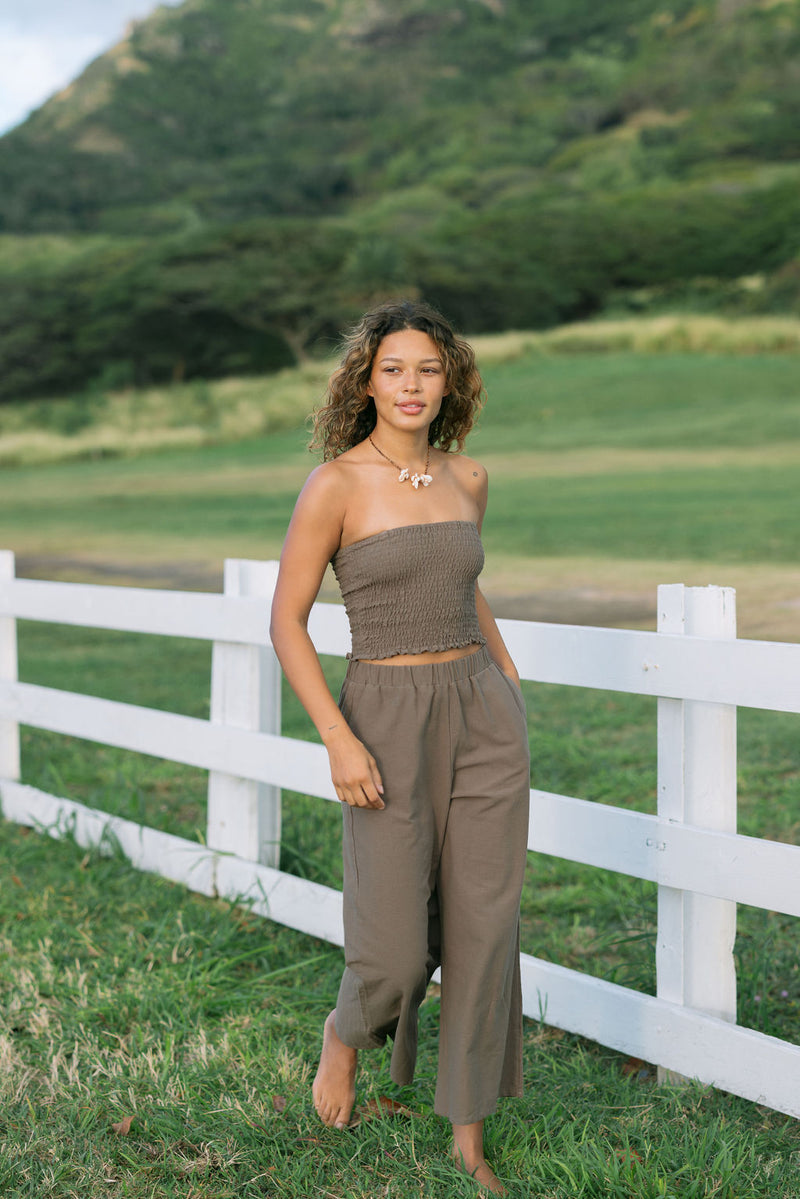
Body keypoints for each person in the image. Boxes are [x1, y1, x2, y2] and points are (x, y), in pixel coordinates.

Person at [269, 299, 530, 1195]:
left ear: (449, 378)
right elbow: (287, 623)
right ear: (366, 381)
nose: (411, 385)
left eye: (427, 369)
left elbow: (460, 582)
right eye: (393, 369)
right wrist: (339, 738)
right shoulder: (335, 484)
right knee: (392, 950)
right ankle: (349, 1032)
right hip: (381, 712)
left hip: (482, 714)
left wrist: (506, 676)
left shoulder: (470, 478)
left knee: (484, 928)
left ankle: (468, 1135)